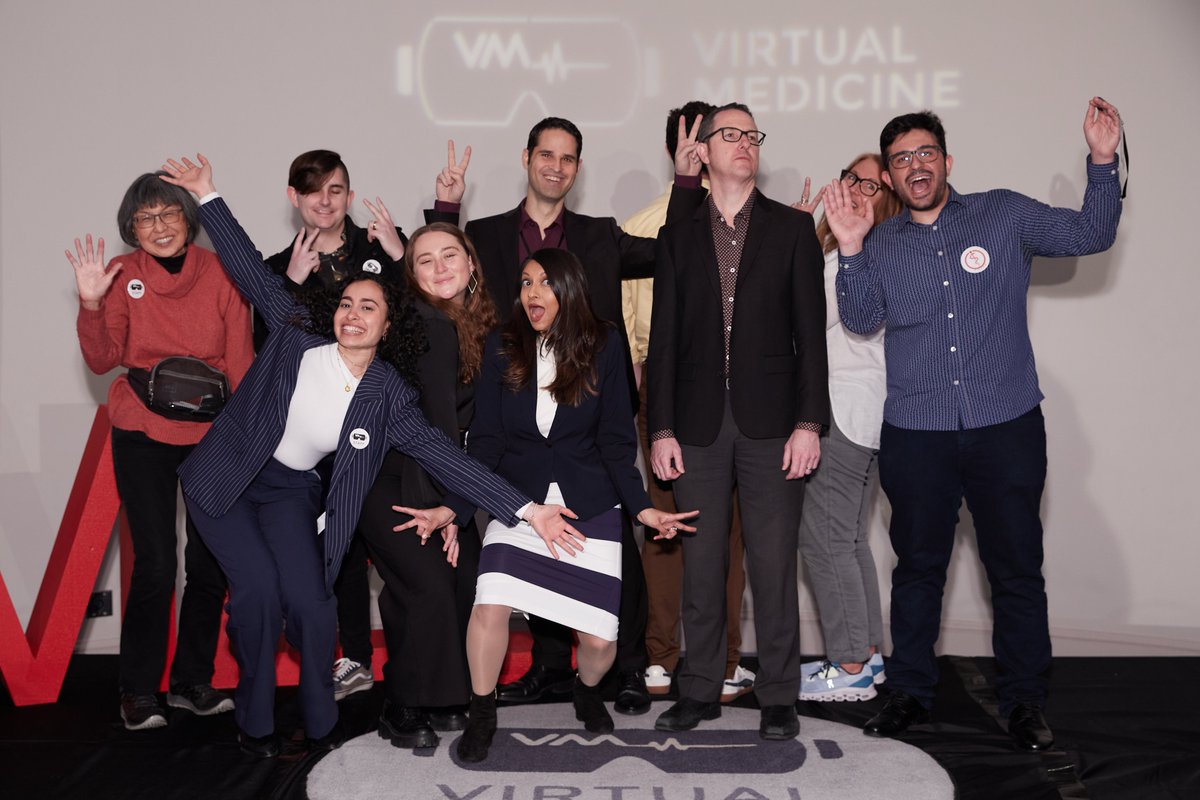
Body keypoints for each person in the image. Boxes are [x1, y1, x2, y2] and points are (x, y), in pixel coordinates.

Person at [159, 154, 582, 758]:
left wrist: (528, 510)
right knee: (255, 598)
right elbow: (252, 271)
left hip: (289, 490)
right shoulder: (297, 332)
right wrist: (207, 195)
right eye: (346, 305)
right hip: (227, 478)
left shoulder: (387, 394)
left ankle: (318, 719)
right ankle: (255, 725)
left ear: (388, 327)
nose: (353, 315)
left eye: (369, 307)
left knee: (311, 604)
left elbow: (444, 453)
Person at [823, 98, 1123, 750]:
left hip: (1004, 427)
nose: (915, 166)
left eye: (925, 153)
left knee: (1016, 572)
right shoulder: (877, 243)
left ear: (947, 160)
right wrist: (848, 249)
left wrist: (1103, 160)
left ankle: (1023, 704)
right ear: (893, 177)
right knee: (917, 572)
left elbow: (1088, 236)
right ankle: (908, 695)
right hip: (916, 433)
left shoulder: (1003, 213)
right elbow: (861, 317)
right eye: (901, 159)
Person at [428, 123, 700, 715]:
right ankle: (550, 669)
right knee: (523, 560)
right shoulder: (484, 235)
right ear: (527, 158)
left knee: (604, 546)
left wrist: (685, 180)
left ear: (578, 168)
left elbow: (672, 250)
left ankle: (619, 670)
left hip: (588, 419)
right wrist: (446, 207)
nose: (555, 165)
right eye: (545, 154)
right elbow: (440, 273)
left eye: (568, 158)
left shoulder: (600, 236)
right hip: (512, 418)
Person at [408, 248, 697, 763]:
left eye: (544, 283)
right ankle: (482, 712)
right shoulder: (503, 344)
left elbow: (614, 441)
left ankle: (586, 690)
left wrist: (643, 508)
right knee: (489, 604)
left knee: (600, 645)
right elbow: (488, 443)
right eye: (525, 282)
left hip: (590, 504)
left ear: (569, 290)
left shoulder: (605, 344)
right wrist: (453, 505)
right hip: (518, 502)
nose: (532, 293)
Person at [648, 102, 829, 741]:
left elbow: (812, 336)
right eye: (730, 134)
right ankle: (697, 688)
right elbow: (663, 341)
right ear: (704, 150)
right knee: (701, 569)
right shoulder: (678, 234)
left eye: (751, 135)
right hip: (694, 427)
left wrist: (810, 421)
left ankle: (779, 694)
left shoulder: (792, 228)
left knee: (774, 563)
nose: (744, 144)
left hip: (775, 425)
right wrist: (660, 430)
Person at [67, 173, 253, 730]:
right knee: (155, 563)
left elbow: (239, 359)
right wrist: (91, 303)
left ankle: (192, 682)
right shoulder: (122, 276)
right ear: (132, 228)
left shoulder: (220, 272)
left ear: (187, 219)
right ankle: (138, 689)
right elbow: (103, 361)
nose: (159, 227)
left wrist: (243, 437)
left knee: (209, 562)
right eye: (146, 218)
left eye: (169, 214)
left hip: (213, 434)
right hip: (142, 430)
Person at [261, 149, 413, 701]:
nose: (324, 201)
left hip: (376, 424)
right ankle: (341, 657)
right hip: (306, 432)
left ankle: (391, 661)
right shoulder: (280, 266)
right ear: (293, 198)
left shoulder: (382, 248)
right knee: (323, 542)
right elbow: (268, 352)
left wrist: (399, 255)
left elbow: (418, 318)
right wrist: (291, 286)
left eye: (335, 190)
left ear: (349, 195)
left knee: (375, 543)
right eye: (313, 191)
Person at [621, 101, 753, 701]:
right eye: (714, 137)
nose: (721, 147)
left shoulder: (756, 221)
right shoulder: (652, 224)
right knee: (672, 528)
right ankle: (676, 660)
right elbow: (626, 330)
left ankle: (707, 661)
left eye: (736, 136)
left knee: (708, 533)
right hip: (668, 396)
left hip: (735, 398)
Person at [355, 222, 498, 748]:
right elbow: (432, 431)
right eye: (424, 260)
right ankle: (404, 703)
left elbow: (482, 432)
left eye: (450, 255)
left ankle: (443, 695)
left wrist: (455, 511)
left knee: (468, 576)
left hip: (439, 478)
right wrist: (444, 512)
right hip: (389, 478)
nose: (440, 268)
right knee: (430, 581)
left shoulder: (477, 327)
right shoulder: (424, 324)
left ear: (471, 264)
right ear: (410, 275)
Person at [791, 155, 901, 702]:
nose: (861, 190)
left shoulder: (857, 257)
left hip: (839, 413)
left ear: (890, 201)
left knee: (826, 541)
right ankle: (867, 656)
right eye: (854, 178)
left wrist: (786, 257)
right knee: (851, 540)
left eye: (876, 186)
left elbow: (804, 324)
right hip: (867, 415)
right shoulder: (866, 252)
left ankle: (850, 664)